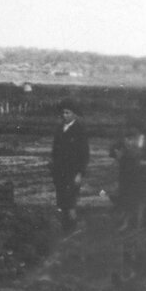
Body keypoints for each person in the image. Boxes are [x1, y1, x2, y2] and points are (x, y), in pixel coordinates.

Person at [110, 122, 146, 231]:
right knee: (127, 197)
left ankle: (138, 224)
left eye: (134, 128)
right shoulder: (126, 139)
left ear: (138, 129)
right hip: (126, 173)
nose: (131, 130)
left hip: (141, 173)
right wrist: (117, 154)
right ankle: (126, 223)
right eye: (130, 128)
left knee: (140, 198)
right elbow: (113, 150)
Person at [50, 98, 89, 231]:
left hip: (72, 171)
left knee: (71, 201)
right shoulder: (60, 129)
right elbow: (55, 150)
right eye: (63, 113)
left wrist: (80, 173)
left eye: (68, 113)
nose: (65, 115)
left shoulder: (79, 130)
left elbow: (84, 154)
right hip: (59, 171)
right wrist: (53, 165)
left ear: (74, 114)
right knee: (61, 200)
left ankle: (74, 227)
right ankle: (66, 227)